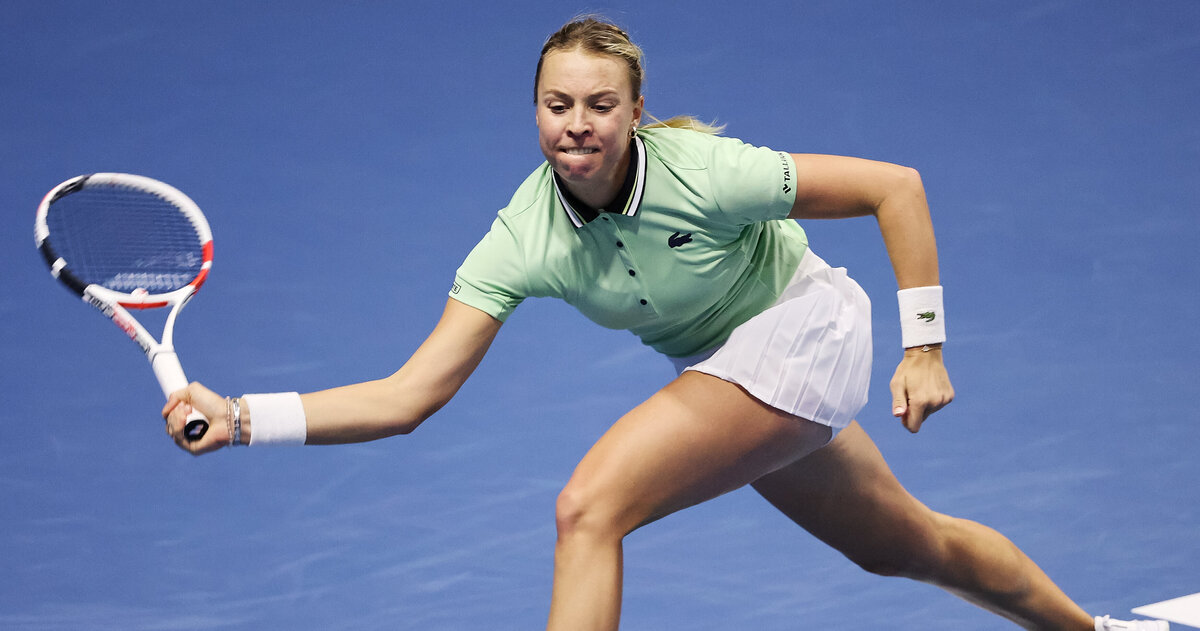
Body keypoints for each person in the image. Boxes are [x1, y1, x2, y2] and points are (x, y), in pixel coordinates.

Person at [163, 16, 1167, 631]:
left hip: (804, 328)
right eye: (557, 104)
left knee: (589, 507)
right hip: (732, 370)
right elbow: (407, 395)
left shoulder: (707, 174)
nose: (577, 125)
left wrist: (926, 346)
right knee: (906, 546)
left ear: (636, 110)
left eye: (600, 105)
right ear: (535, 112)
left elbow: (894, 187)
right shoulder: (521, 237)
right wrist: (244, 417)